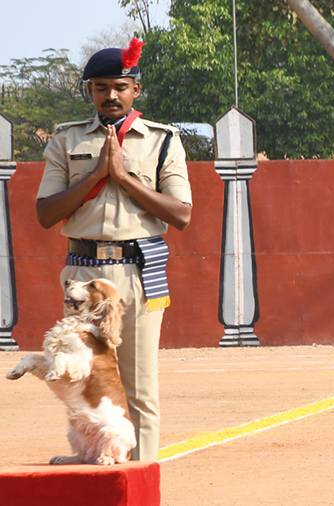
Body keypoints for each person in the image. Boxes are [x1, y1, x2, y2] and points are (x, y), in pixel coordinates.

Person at [36, 38, 192, 461]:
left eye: (120, 87)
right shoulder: (66, 141)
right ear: (90, 91)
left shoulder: (161, 141)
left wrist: (123, 177)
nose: (111, 95)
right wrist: (96, 176)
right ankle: (94, 461)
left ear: (135, 90)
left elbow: (180, 214)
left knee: (138, 384)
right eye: (101, 87)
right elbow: (46, 214)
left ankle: (140, 476)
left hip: (137, 270)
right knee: (85, 376)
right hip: (83, 273)